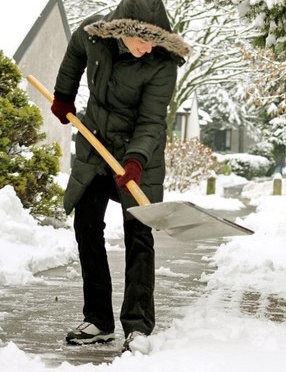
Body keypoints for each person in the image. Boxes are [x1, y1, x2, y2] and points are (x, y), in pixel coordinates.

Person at [50, 0, 190, 352]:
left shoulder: (162, 64)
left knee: (139, 233)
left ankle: (138, 326)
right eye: (143, 41)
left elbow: (152, 121)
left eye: (155, 41)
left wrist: (136, 160)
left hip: (137, 154)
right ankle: (98, 319)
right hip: (96, 142)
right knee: (86, 224)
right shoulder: (94, 35)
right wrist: (64, 95)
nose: (149, 48)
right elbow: (74, 54)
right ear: (124, 31)